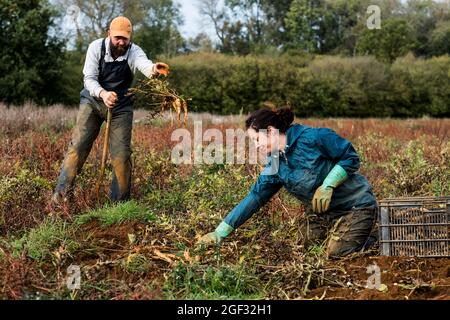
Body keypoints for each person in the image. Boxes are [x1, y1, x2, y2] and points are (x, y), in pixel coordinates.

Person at [197, 107, 377, 257]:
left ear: (270, 131)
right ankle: (350, 233)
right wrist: (220, 232)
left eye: (257, 140)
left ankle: (374, 237)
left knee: (337, 254)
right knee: (304, 246)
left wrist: (328, 184)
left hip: (355, 206)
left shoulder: (315, 137)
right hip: (324, 213)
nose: (256, 146)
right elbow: (256, 196)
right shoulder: (275, 162)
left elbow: (350, 157)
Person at [51, 16, 169, 204]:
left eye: (125, 38)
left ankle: (119, 205)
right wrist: (104, 94)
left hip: (121, 106)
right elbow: (89, 79)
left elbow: (144, 64)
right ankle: (60, 198)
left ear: (130, 38)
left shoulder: (134, 51)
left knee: (121, 155)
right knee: (78, 147)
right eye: (117, 38)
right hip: (92, 101)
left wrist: (154, 69)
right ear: (109, 34)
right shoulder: (95, 47)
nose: (121, 42)